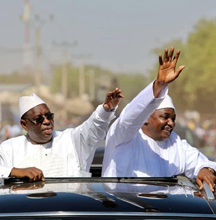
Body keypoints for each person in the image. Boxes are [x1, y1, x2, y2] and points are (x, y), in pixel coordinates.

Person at [102, 47, 216, 192]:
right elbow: (130, 116)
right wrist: (159, 85)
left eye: (173, 118)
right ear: (145, 118)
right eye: (165, 117)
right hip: (124, 210)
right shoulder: (125, 137)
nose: (171, 123)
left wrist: (205, 170)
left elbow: (199, 162)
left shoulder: (174, 143)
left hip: (165, 211)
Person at [0, 88, 123, 181]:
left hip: (68, 212)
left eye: (49, 116)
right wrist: (14, 171)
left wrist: (106, 110)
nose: (47, 121)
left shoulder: (71, 140)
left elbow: (93, 129)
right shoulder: (9, 148)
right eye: (39, 119)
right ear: (24, 124)